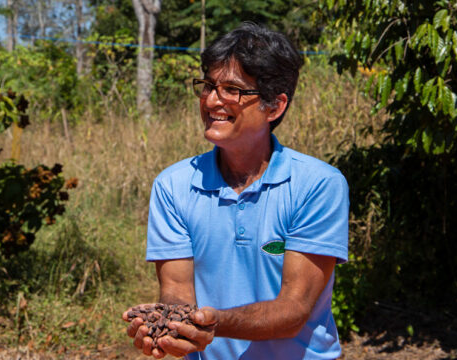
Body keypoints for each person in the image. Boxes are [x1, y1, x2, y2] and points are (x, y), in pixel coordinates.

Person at [122, 22, 349, 360]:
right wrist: (170, 326)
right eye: (209, 86)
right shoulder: (173, 185)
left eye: (233, 89)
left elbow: (293, 311)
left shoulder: (317, 185)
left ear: (275, 106)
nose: (213, 100)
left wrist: (214, 323)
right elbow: (176, 292)